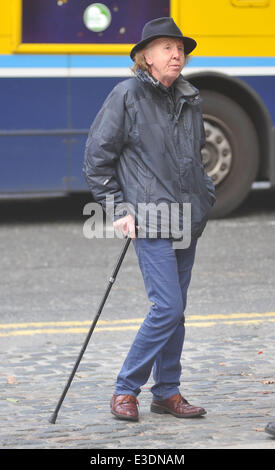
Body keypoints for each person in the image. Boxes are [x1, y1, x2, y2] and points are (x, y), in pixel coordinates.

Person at [83, 17, 216, 422]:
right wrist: (118, 209)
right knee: (167, 307)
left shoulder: (190, 97)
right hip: (150, 217)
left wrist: (205, 194)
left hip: (186, 217)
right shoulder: (126, 95)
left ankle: (167, 391)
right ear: (145, 57)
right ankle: (126, 388)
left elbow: (196, 154)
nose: (177, 55)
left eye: (181, 49)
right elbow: (97, 158)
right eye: (166, 48)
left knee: (177, 311)